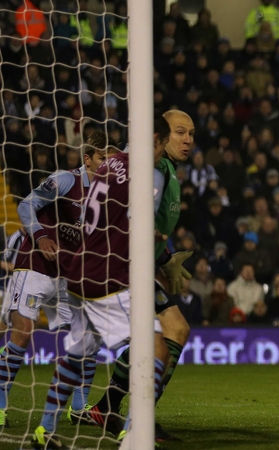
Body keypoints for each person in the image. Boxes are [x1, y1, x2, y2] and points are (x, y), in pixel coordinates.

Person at [31, 118, 174, 449]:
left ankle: (45, 430)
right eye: (164, 144)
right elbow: (138, 224)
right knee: (156, 347)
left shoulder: (109, 164)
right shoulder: (147, 174)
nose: (161, 156)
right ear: (155, 140)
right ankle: (135, 434)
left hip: (80, 270)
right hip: (108, 277)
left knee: (79, 352)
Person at [81, 110, 196, 442]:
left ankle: (110, 407)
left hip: (128, 261)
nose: (187, 140)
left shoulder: (160, 168)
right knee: (165, 337)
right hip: (125, 266)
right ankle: (136, 420)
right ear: (159, 137)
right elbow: (137, 222)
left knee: (173, 330)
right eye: (179, 132)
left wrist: (164, 259)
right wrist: (160, 259)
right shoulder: (155, 170)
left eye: (191, 134)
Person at [0, 132, 111, 427]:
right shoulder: (65, 180)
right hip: (35, 264)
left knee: (87, 339)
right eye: (102, 159)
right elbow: (26, 205)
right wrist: (42, 236)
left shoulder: (108, 195)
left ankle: (78, 408)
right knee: (22, 333)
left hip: (67, 275)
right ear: (87, 159)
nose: (107, 165)